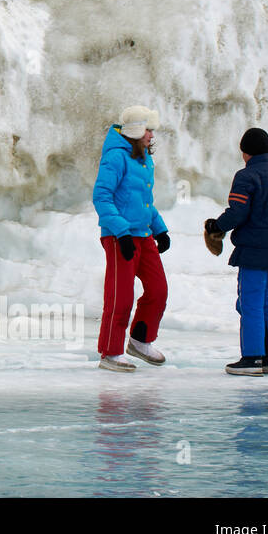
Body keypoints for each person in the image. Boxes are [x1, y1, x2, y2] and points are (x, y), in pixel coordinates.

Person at [205, 128, 268, 376]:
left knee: (250, 302)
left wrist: (216, 226)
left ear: (245, 152)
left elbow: (238, 211)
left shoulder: (247, 176)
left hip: (255, 247)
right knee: (266, 300)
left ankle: (252, 358)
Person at [91, 105, 171, 372]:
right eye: (148, 130)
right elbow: (102, 197)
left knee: (158, 290)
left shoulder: (144, 159)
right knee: (120, 297)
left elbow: (143, 201)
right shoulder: (115, 157)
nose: (151, 135)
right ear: (136, 131)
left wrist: (160, 228)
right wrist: (121, 231)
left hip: (143, 235)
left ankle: (139, 340)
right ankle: (110, 352)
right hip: (119, 237)